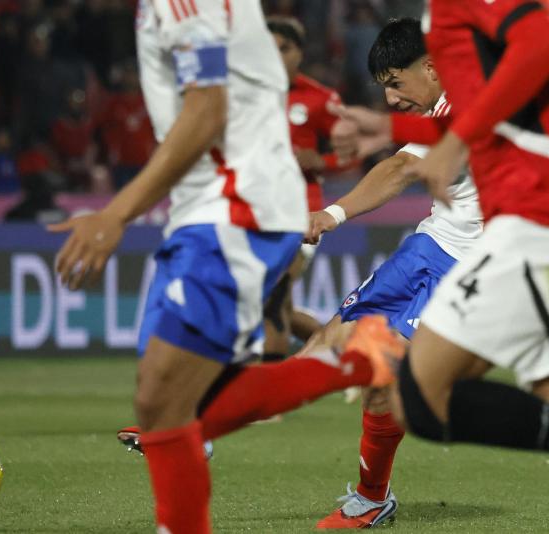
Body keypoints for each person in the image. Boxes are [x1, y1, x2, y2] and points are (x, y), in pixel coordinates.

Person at [50, 2, 401, 533]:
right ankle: (357, 357)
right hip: (209, 208)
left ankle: (358, 358)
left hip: (239, 208)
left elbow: (207, 111)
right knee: (162, 401)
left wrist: (116, 214)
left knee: (169, 403)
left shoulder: (187, 3)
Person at [336, 1, 549, 531]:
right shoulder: (439, 28)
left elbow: (544, 46)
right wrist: (415, 131)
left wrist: (452, 142)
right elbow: (488, 107)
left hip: (541, 221)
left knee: (419, 397)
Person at [300, 18, 483, 529]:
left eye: (397, 84)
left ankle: (371, 498)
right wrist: (332, 215)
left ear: (430, 67)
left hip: (473, 270)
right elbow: (401, 163)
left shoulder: (474, 101)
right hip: (429, 244)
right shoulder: (441, 108)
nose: (393, 100)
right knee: (326, 342)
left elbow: (400, 170)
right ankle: (196, 432)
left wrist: (330, 215)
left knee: (387, 380)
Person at [261, 16, 361, 360]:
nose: (276, 56)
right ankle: (352, 354)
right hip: (253, 211)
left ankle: (267, 397)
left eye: (284, 48)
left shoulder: (319, 99)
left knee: (272, 294)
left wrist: (321, 161)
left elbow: (354, 151)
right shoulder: (245, 97)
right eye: (268, 49)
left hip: (300, 215)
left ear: (299, 53)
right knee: (275, 303)